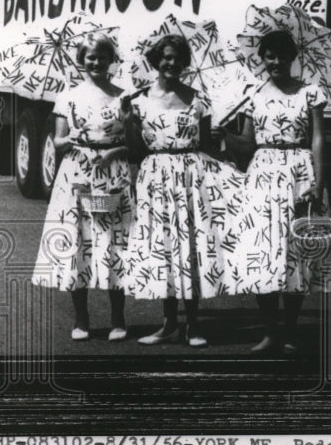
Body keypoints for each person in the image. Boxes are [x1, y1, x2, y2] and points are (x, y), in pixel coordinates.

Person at [122, 33, 235, 347]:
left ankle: (193, 325)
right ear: (156, 61)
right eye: (165, 57)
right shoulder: (138, 100)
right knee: (165, 247)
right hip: (155, 177)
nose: (170, 63)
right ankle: (169, 324)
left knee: (191, 246)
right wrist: (129, 122)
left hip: (191, 177)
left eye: (176, 58)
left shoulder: (199, 99)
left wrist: (219, 136)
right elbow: (135, 150)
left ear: (185, 62)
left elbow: (207, 145)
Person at [221, 30, 327, 354]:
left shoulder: (310, 92)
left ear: (293, 57)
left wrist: (318, 184)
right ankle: (270, 331)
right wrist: (223, 132)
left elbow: (318, 139)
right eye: (270, 55)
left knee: (296, 251)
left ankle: (290, 330)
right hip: (263, 173)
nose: (276, 61)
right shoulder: (253, 94)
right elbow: (247, 143)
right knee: (262, 251)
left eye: (282, 55)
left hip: (299, 171)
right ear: (263, 58)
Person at [31, 33, 132, 341]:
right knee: (79, 242)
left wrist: (113, 149)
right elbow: (58, 142)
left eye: (103, 56)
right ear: (81, 61)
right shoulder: (68, 97)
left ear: (111, 60)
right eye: (91, 57)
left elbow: (134, 142)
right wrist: (76, 137)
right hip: (78, 172)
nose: (97, 62)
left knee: (115, 244)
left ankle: (118, 319)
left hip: (113, 172)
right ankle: (81, 320)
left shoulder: (123, 96)